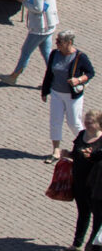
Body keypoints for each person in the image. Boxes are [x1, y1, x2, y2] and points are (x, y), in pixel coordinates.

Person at [40, 31, 93, 161]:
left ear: (69, 43)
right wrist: (45, 90)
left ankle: (87, 145)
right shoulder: (54, 54)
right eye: (57, 41)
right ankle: (56, 151)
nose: (56, 43)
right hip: (56, 93)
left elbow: (90, 72)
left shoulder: (80, 57)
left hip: (72, 95)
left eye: (59, 42)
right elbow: (49, 73)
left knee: (74, 122)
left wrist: (79, 80)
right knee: (55, 121)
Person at [9, 0, 58, 83]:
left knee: (26, 51)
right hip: (49, 24)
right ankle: (54, 80)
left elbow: (38, 8)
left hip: (40, 27)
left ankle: (14, 76)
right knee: (47, 55)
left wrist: (24, 1)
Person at [69, 110, 101, 251]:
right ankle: (77, 243)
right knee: (82, 213)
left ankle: (93, 248)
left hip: (95, 185)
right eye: (86, 120)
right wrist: (67, 155)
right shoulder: (82, 135)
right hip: (79, 182)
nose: (87, 123)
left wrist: (91, 156)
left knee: (97, 217)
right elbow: (74, 153)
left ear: (99, 124)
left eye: (90, 122)